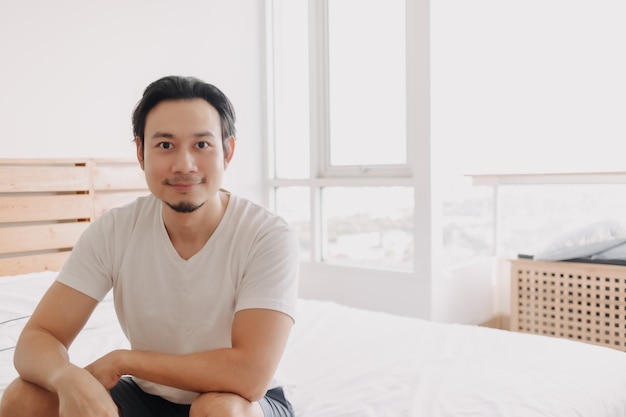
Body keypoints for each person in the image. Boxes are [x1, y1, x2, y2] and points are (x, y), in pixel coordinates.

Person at [0, 76, 299, 417]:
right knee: (23, 397)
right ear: (141, 153)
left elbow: (249, 375)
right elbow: (38, 336)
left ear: (227, 151)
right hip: (147, 397)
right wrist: (66, 378)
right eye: (165, 145)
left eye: (201, 145)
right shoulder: (115, 230)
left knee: (217, 409)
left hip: (241, 400)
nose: (184, 165)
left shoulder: (267, 235)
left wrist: (125, 360)